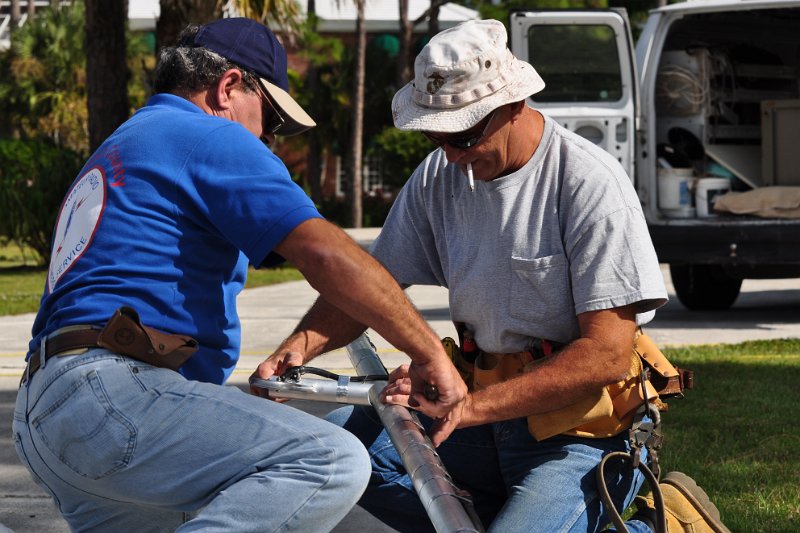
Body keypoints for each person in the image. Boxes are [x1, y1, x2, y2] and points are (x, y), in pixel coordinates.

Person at [255, 20, 730, 533]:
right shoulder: (441, 174)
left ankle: (657, 528)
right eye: (436, 136)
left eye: (463, 134)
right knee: (328, 456)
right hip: (478, 417)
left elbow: (607, 354)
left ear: (513, 104)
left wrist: (469, 407)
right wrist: (299, 347)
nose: (452, 154)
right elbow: (371, 287)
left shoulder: (589, 182)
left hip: (575, 434)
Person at [13, 18, 465, 532]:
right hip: (110, 398)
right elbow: (327, 255)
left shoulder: (126, 142)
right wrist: (430, 352)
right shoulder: (203, 134)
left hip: (49, 413)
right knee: (329, 460)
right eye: (270, 120)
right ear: (229, 87)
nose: (268, 141)